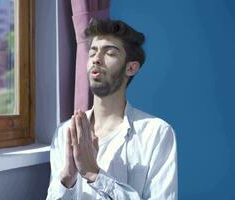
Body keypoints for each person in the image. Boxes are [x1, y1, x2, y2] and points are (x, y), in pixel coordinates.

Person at [46, 19, 177, 199]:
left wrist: (94, 174)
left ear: (131, 68)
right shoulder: (65, 133)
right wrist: (67, 177)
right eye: (92, 52)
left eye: (109, 53)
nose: (96, 59)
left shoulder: (157, 133)